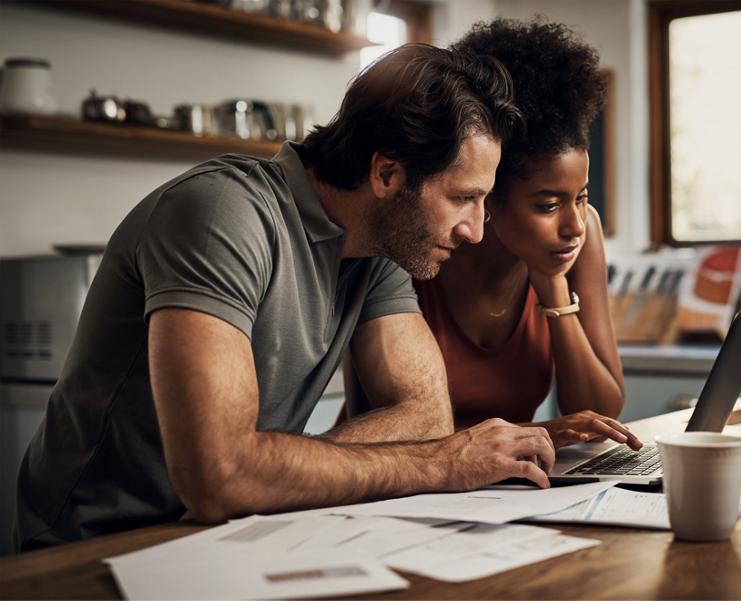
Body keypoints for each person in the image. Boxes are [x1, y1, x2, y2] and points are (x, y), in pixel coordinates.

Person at [14, 44, 557, 551]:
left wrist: (271, 470)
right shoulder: (221, 214)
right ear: (387, 172)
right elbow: (219, 476)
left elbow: (426, 416)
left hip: (227, 534)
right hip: (95, 546)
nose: (477, 231)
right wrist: (440, 466)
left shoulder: (379, 250)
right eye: (463, 198)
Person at [344, 20, 643, 452]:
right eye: (547, 205)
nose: (574, 225)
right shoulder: (417, 243)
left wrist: (553, 289)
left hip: (500, 489)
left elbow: (601, 413)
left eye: (581, 197)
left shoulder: (578, 238)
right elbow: (375, 426)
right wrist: (536, 434)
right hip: (393, 485)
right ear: (489, 195)